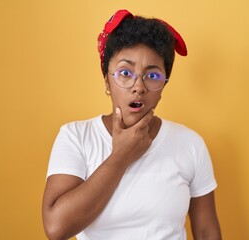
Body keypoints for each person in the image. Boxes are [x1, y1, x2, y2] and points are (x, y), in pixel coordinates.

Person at [42, 9, 222, 240]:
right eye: (125, 72)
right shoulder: (75, 136)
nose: (139, 86)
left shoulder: (190, 143)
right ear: (107, 80)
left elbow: (207, 231)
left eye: (153, 75)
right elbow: (56, 228)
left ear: (164, 85)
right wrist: (120, 157)